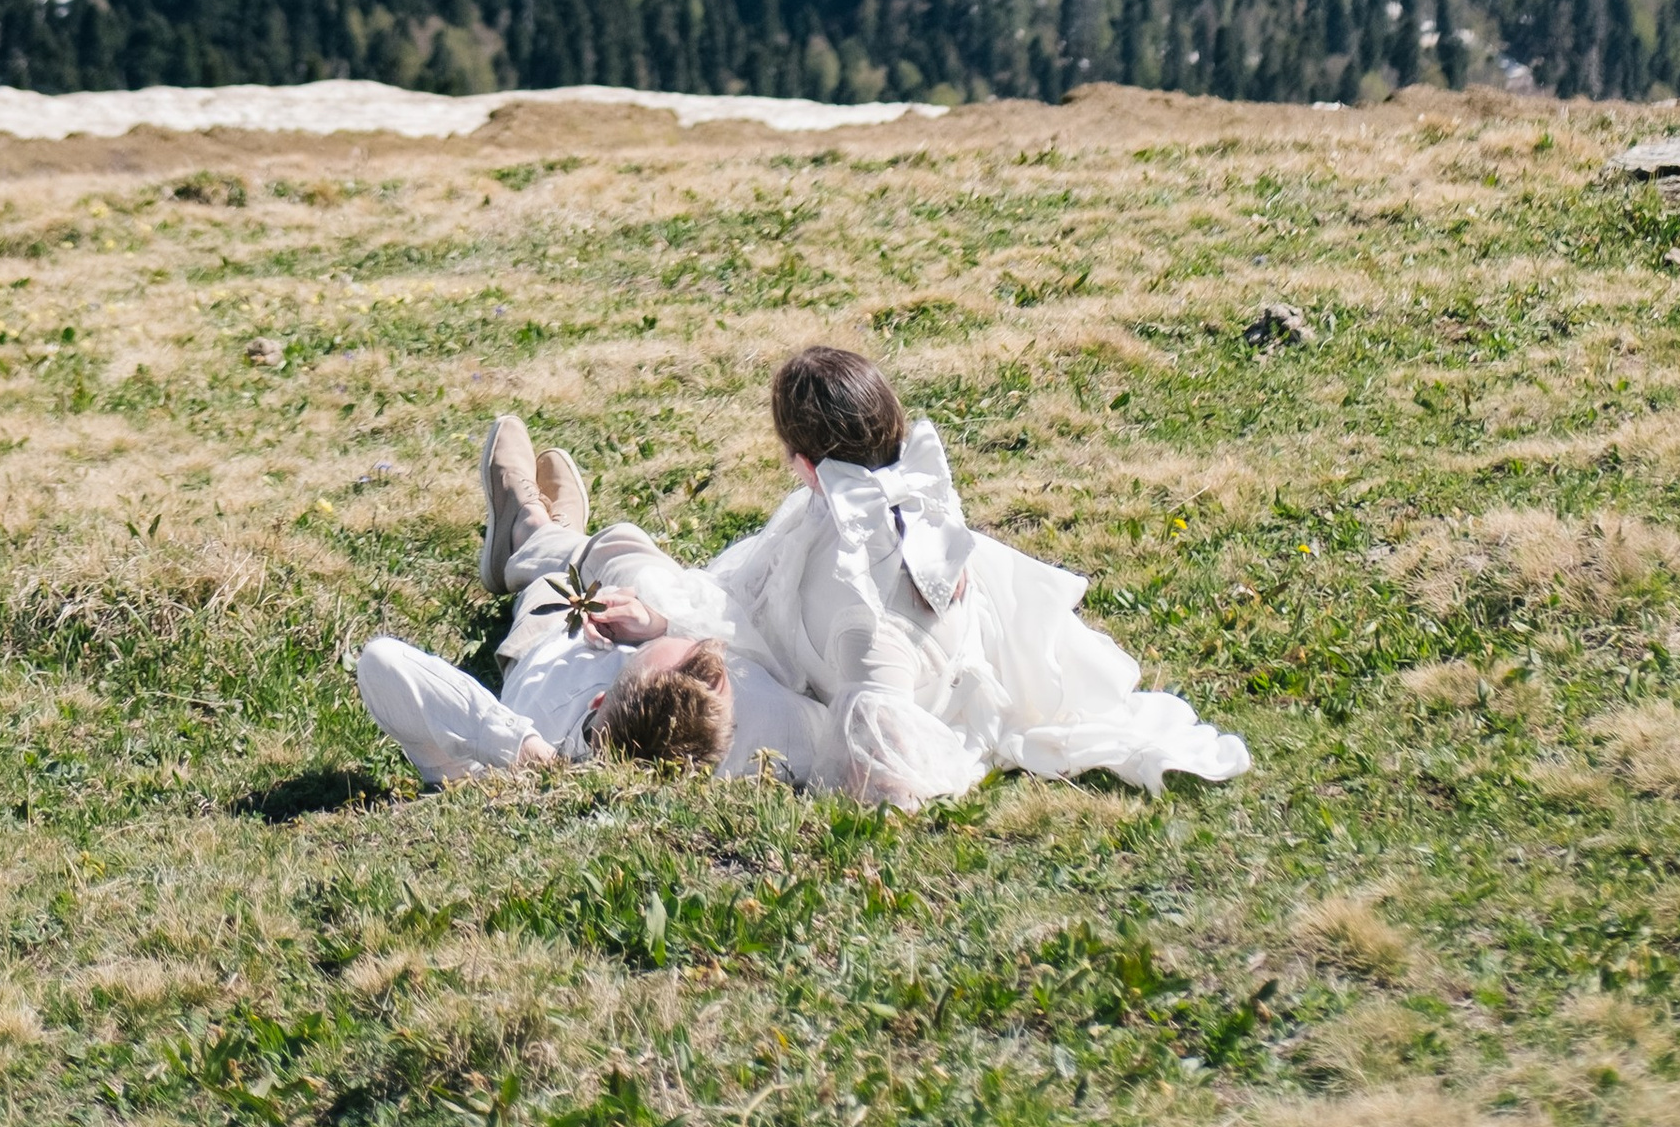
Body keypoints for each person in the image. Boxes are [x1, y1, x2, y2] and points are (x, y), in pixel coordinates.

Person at [703, 344, 1252, 810]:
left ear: (802, 465)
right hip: (964, 669)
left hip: (917, 696)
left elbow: (880, 745)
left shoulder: (852, 586)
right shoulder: (925, 515)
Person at [353, 415, 820, 786]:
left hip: (549, 630)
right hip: (608, 599)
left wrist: (528, 754)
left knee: (577, 573)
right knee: (641, 562)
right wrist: (656, 625)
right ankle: (555, 532)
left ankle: (529, 531)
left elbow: (382, 663)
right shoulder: (765, 728)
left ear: (600, 699)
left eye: (633, 657)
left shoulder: (519, 762)